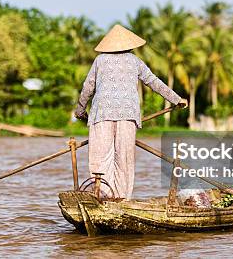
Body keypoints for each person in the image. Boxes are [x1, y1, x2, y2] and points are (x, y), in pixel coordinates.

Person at [74, 24, 187, 200]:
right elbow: (154, 82)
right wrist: (176, 99)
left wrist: (80, 110)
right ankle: (120, 198)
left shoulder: (100, 60)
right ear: (130, 45)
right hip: (127, 115)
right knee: (124, 160)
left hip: (101, 114)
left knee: (100, 159)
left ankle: (101, 197)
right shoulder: (135, 61)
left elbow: (87, 87)